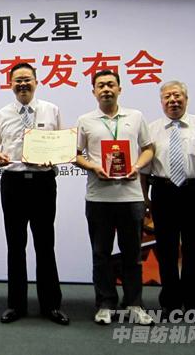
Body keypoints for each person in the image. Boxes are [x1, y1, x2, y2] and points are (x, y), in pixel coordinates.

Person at [0, 62, 69, 326]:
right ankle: (16, 305)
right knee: (15, 245)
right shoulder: (1, 115)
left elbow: (64, 146)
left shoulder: (52, 110)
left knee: (45, 244)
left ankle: (51, 305)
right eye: (17, 80)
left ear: (36, 81)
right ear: (10, 84)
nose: (22, 84)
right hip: (14, 183)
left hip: (43, 183)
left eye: (27, 79)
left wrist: (55, 156)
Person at [140, 80, 195, 316]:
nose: (173, 101)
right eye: (167, 97)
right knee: (167, 250)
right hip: (163, 193)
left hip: (194, 193)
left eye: (177, 96)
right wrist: (145, 198)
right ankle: (170, 302)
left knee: (192, 249)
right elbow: (144, 171)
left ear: (186, 99)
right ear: (161, 102)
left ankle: (192, 302)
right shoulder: (152, 130)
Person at [75, 69, 154, 325]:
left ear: (120, 89)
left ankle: (134, 304)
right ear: (94, 92)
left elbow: (148, 148)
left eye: (111, 84)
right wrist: (93, 167)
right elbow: (75, 154)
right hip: (99, 198)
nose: (106, 89)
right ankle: (105, 303)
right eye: (101, 86)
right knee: (101, 254)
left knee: (132, 255)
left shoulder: (136, 116)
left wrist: (137, 166)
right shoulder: (85, 120)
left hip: (131, 197)